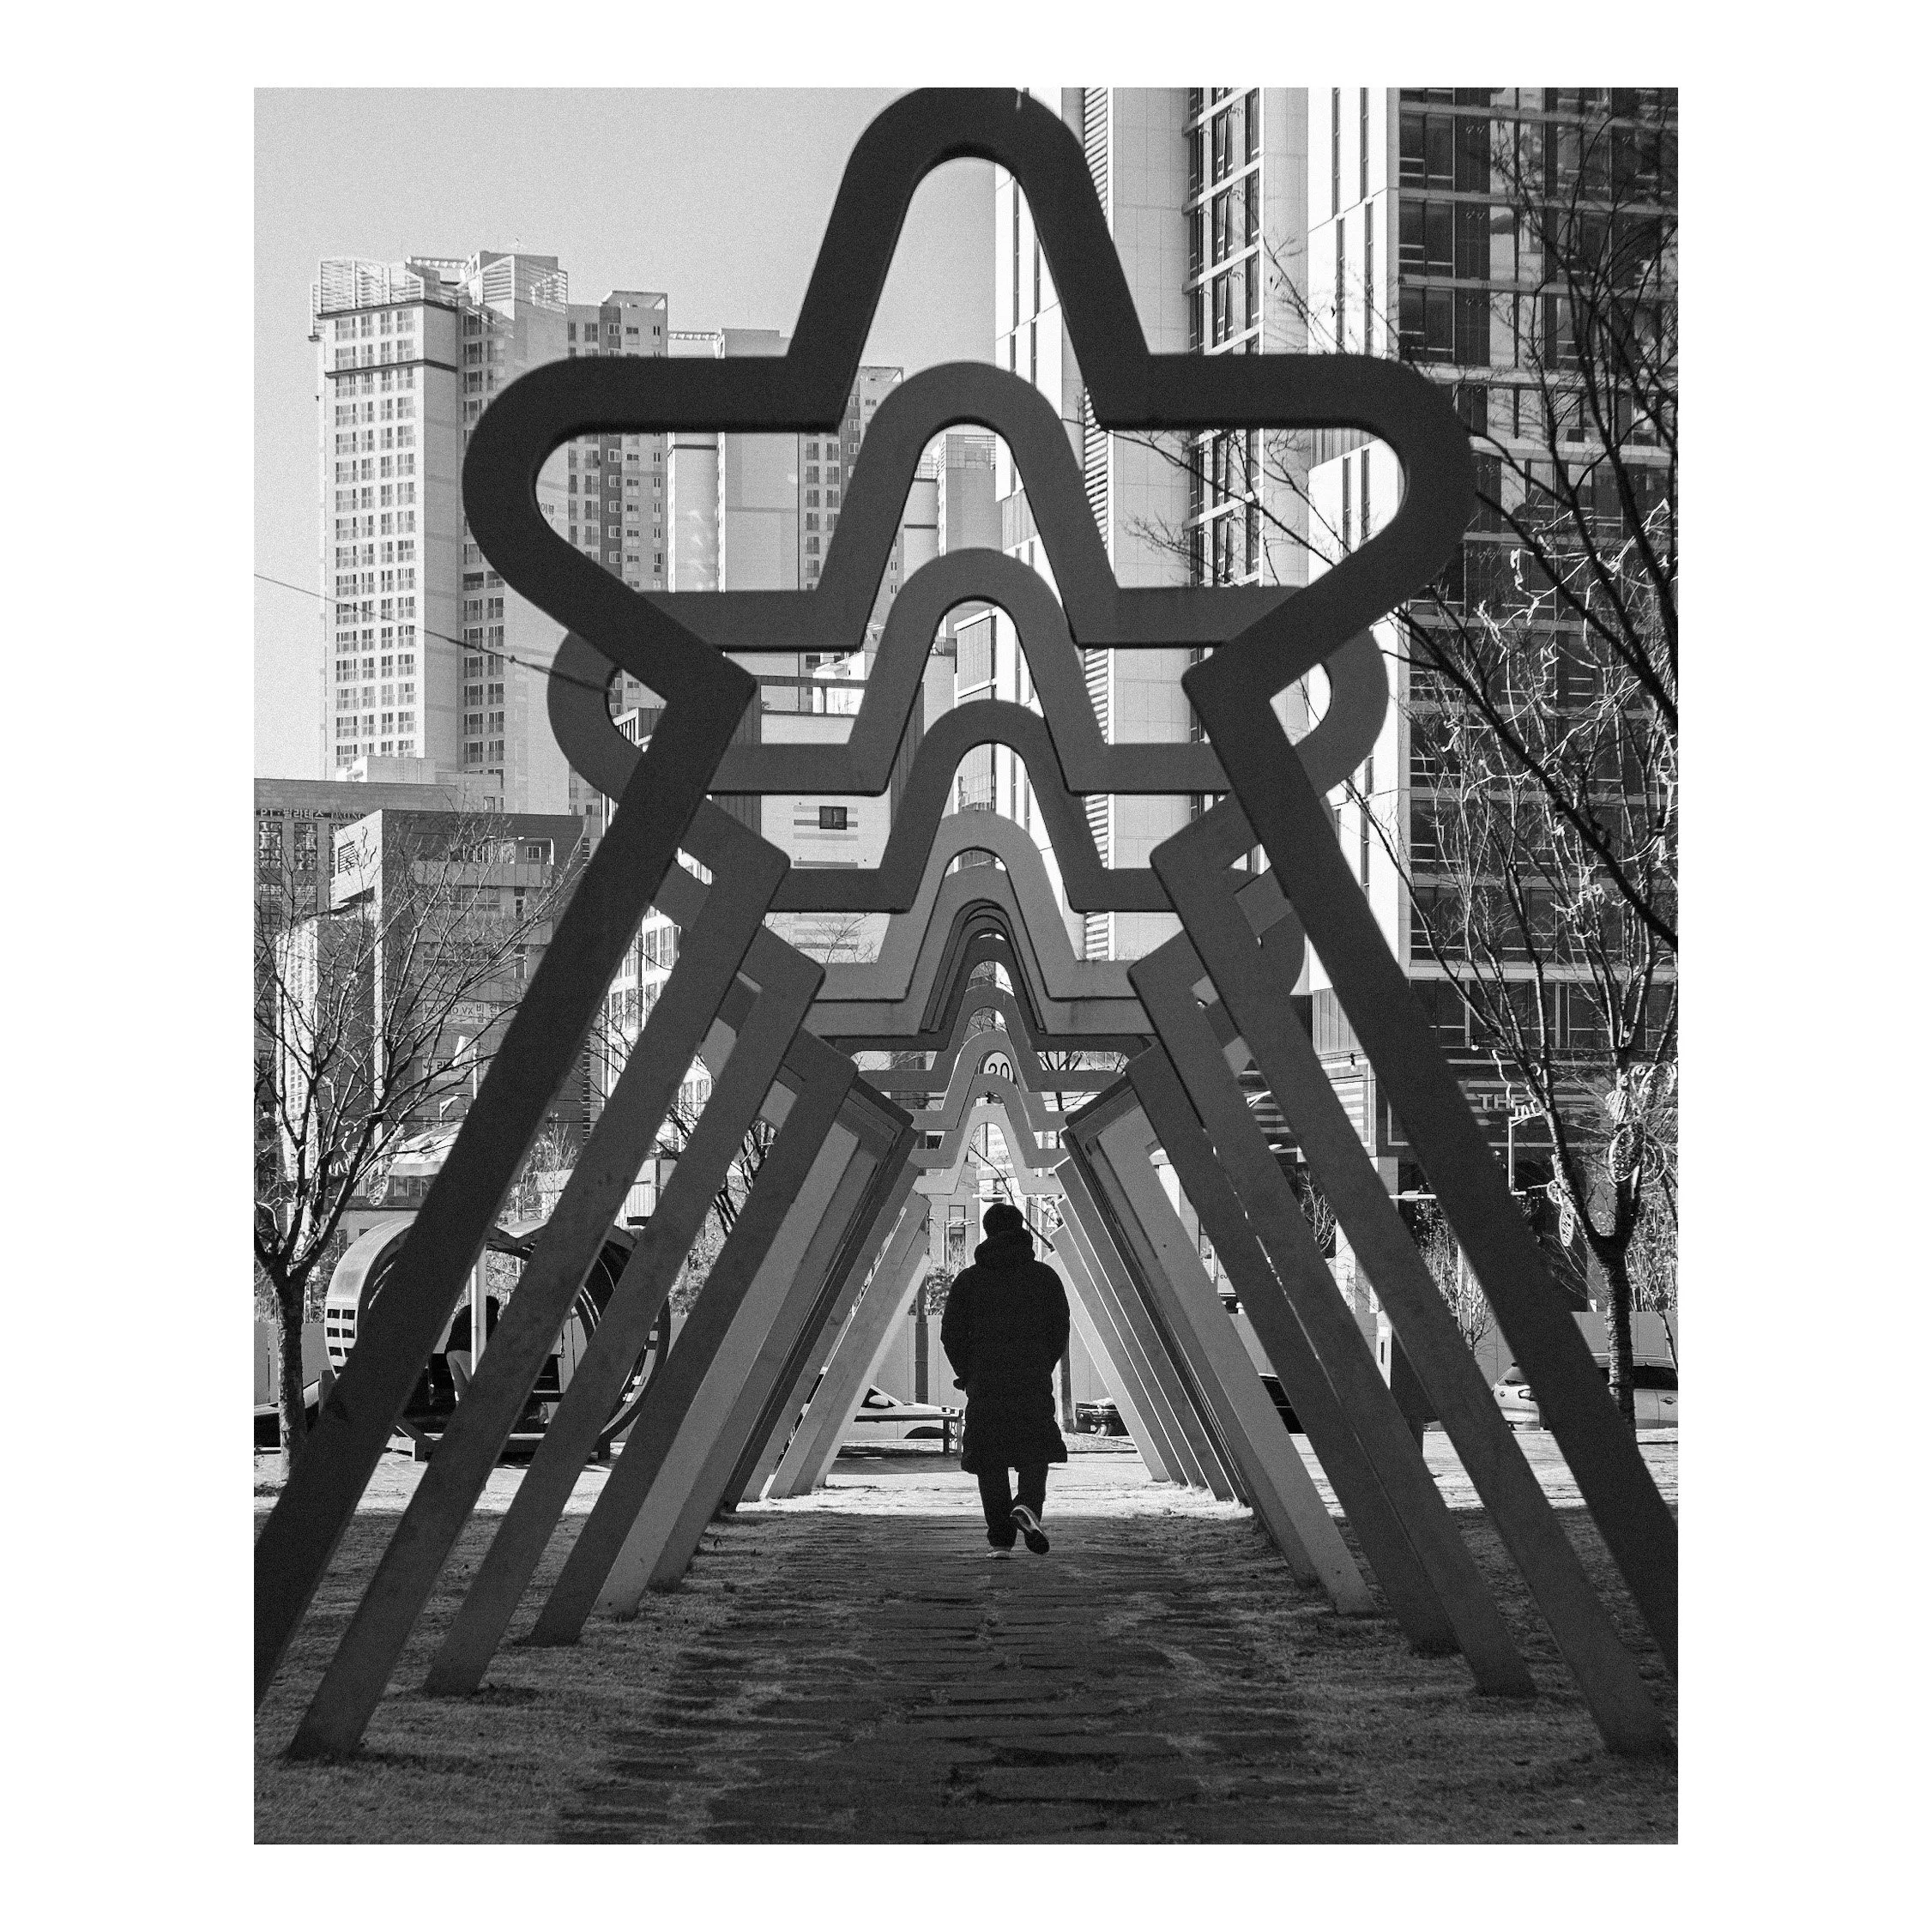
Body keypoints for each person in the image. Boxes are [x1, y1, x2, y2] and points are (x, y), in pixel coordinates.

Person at [939, 1200, 1071, 1558]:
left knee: (990, 1460)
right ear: (1021, 1228)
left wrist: (967, 1373)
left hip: (986, 1384)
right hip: (1030, 1381)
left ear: (986, 1231)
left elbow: (950, 1333)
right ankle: (1027, 1505)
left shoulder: (969, 1280)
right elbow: (1060, 1330)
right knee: (1034, 1452)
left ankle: (1000, 1540)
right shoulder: (1044, 1278)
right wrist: (1041, 1364)